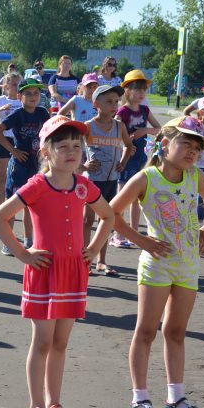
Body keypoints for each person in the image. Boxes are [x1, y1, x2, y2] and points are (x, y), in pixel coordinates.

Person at [0, 115, 114, 408]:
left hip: (73, 272)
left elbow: (108, 216)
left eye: (77, 146)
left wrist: (93, 248)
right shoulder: (37, 185)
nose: (72, 152)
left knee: (60, 342)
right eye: (63, 146)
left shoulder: (84, 185)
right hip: (44, 270)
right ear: (46, 151)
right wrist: (23, 253)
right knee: (43, 342)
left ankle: (55, 405)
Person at [110, 116, 204, 408]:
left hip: (187, 266)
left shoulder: (195, 176)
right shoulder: (146, 178)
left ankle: (176, 397)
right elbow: (111, 213)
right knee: (146, 331)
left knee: (176, 332)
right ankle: (139, 399)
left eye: (197, 147)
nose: (191, 152)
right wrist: (142, 240)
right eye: (186, 144)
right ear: (165, 143)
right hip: (156, 266)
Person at [0, 78, 51, 255]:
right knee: (13, 205)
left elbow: (49, 133)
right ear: (19, 96)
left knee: (30, 204)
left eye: (36, 93)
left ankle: (28, 240)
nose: (33, 97)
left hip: (37, 164)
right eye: (28, 93)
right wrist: (13, 151)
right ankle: (8, 242)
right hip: (19, 165)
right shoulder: (17, 115)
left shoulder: (42, 112)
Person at [81, 84, 133, 276]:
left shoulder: (119, 126)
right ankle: (84, 260)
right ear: (96, 103)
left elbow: (129, 146)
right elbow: (74, 147)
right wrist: (83, 166)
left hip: (112, 181)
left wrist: (123, 162)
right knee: (88, 221)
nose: (114, 105)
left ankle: (101, 262)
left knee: (107, 220)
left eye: (116, 102)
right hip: (92, 181)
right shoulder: (88, 126)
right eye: (109, 101)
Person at [113, 69, 161, 247]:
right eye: (137, 89)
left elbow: (158, 129)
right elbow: (114, 132)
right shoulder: (123, 112)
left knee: (137, 197)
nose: (141, 93)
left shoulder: (145, 110)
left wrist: (144, 131)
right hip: (125, 158)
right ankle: (118, 234)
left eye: (143, 90)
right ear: (127, 90)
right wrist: (129, 140)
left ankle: (133, 233)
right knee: (122, 197)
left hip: (141, 157)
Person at [0, 71, 23, 206]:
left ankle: (13, 205)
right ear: (6, 86)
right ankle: (0, 206)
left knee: (18, 176)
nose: (17, 87)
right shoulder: (1, 100)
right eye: (14, 84)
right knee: (2, 175)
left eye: (19, 84)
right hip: (2, 139)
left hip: (19, 141)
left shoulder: (22, 100)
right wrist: (0, 109)